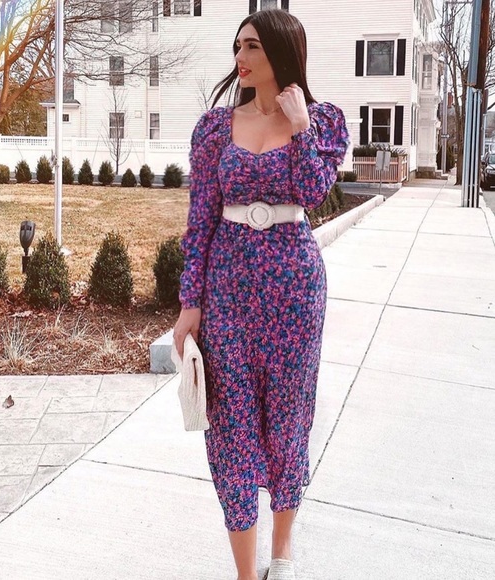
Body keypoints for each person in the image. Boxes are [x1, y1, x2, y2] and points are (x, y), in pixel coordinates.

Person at [173, 9, 349, 580]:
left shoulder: (323, 120)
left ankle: (282, 553)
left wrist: (301, 128)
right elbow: (200, 219)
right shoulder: (214, 128)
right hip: (227, 291)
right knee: (231, 429)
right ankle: (246, 574)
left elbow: (314, 192)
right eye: (237, 46)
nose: (240, 57)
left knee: (289, 420)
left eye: (252, 46)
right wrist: (190, 303)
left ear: (281, 51)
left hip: (295, 290)